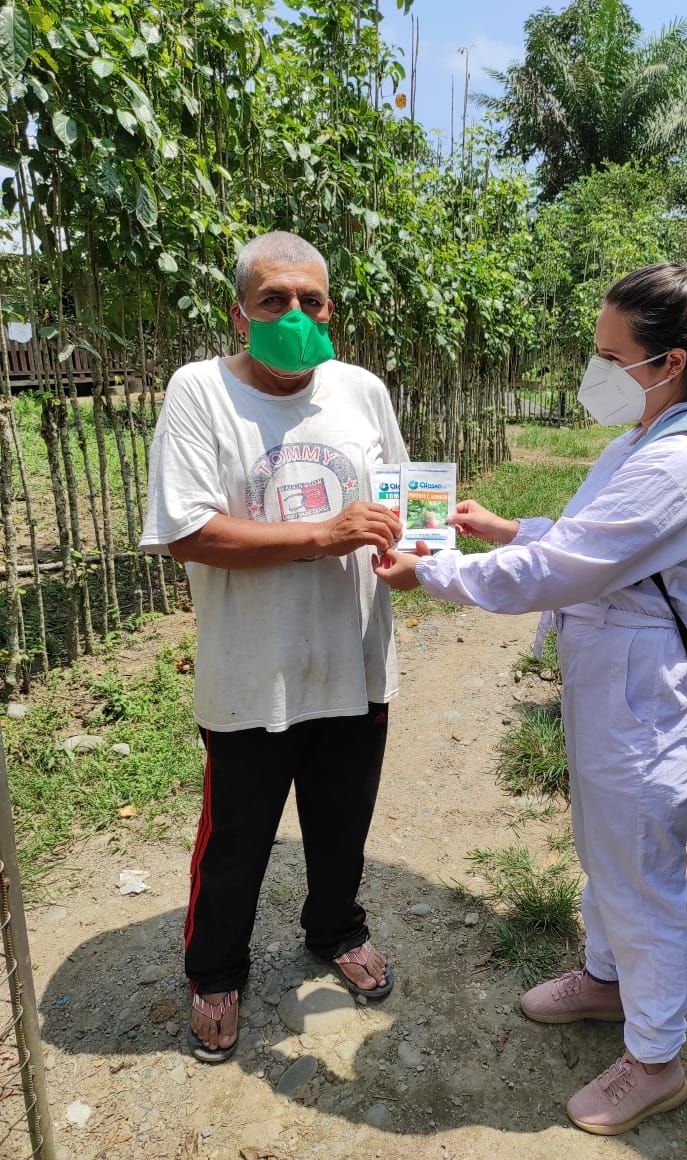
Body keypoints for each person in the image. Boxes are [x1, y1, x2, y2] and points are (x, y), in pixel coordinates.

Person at [373, 253, 687, 1134]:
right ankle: (607, 979)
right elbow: (593, 539)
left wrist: (434, 573)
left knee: (641, 878)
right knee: (605, 848)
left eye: (610, 357)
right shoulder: (645, 440)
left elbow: (564, 569)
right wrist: (507, 527)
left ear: (670, 363)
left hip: (646, 702)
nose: (596, 372)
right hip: (613, 686)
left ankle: (655, 1059)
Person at [140, 231, 407, 1064]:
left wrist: (422, 548)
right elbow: (187, 532)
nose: (296, 313)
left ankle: (336, 930)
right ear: (240, 313)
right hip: (250, 671)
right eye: (274, 300)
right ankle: (216, 971)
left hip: (354, 659)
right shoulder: (200, 391)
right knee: (236, 839)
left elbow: (399, 500)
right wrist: (323, 534)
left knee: (343, 822)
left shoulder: (361, 391)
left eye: (311, 300)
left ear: (330, 310)